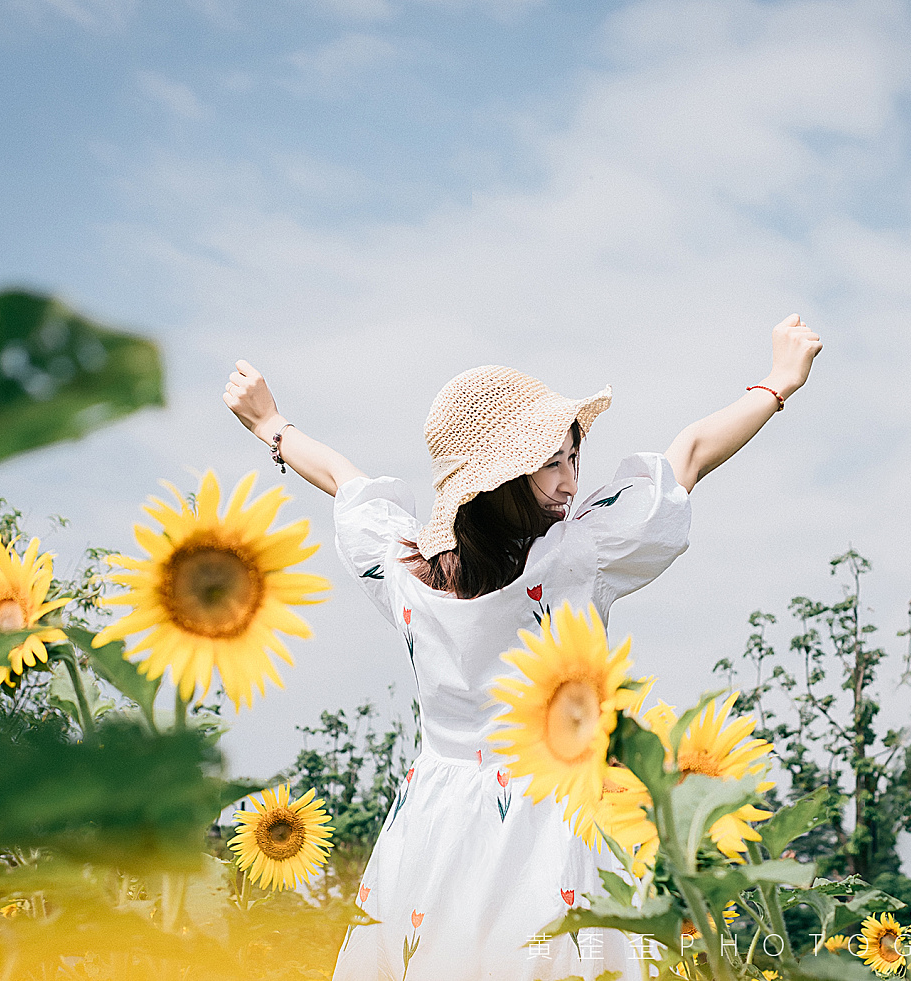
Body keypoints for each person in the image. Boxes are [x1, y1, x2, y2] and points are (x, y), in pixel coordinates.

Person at [223, 314, 821, 981]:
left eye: (572, 458)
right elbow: (691, 456)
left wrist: (271, 424)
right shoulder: (575, 556)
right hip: (554, 820)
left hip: (435, 826)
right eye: (550, 465)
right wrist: (777, 382)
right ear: (498, 483)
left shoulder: (402, 571)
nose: (570, 481)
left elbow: (344, 480)